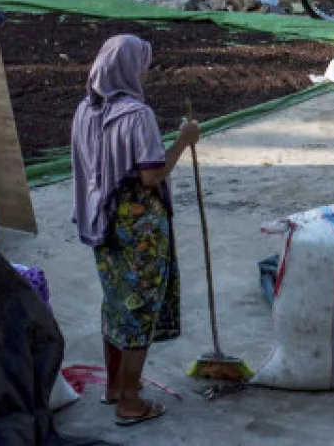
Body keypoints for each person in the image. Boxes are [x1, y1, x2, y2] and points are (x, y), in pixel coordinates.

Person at [70, 35, 200, 427]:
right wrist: (183, 140)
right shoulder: (136, 115)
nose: (145, 70)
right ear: (128, 68)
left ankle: (114, 386)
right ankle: (130, 400)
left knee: (115, 301)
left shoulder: (85, 111)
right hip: (139, 226)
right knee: (139, 308)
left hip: (103, 221)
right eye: (142, 63)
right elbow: (151, 174)